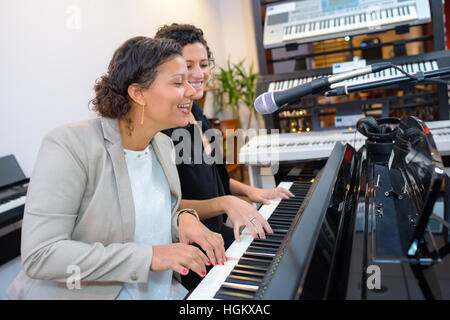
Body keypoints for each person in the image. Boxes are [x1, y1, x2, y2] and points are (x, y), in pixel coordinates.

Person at [6, 36, 226, 300]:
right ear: (138, 93)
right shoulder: (69, 145)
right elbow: (41, 254)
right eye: (178, 82)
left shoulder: (163, 145)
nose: (191, 91)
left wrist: (181, 219)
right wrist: (150, 256)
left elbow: (142, 219)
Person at [155, 24, 294, 290]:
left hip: (217, 234)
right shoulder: (163, 125)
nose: (198, 74)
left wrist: (252, 192)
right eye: (188, 66)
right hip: (191, 249)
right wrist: (226, 203)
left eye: (204, 64)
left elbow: (214, 177)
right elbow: (167, 204)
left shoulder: (195, 109)